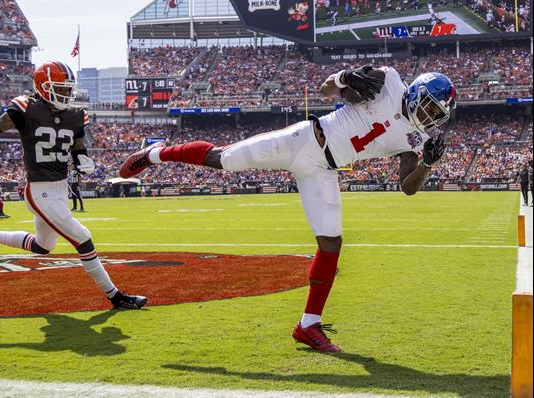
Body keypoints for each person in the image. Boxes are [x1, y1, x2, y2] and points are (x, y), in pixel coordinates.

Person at [120, 65, 455, 352]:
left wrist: (427, 164)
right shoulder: (389, 80)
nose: (427, 115)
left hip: (323, 170)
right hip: (306, 139)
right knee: (223, 159)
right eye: (427, 105)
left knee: (331, 242)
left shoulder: (418, 139)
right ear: (415, 91)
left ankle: (309, 325)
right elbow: (328, 90)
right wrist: (345, 78)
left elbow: (407, 187)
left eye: (435, 113)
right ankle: (156, 153)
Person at [0, 60, 146, 311]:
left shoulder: (76, 115)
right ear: (43, 87)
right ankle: (115, 296)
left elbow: (78, 147)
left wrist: (82, 160)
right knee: (83, 238)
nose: (67, 94)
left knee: (43, 246)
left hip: (60, 188)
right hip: (40, 190)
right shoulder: (26, 109)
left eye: (68, 89)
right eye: (61, 88)